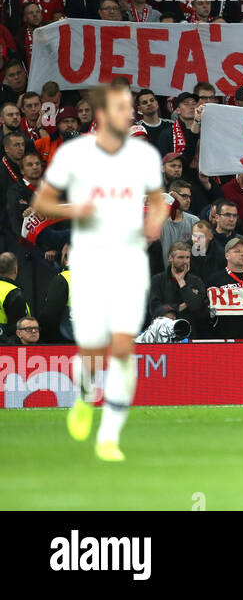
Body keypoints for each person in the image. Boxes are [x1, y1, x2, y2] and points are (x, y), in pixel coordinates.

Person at [31, 82, 167, 462]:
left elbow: (158, 202)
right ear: (104, 115)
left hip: (128, 260)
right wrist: (78, 210)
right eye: (124, 108)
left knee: (123, 348)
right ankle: (86, 396)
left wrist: (154, 222)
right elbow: (42, 200)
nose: (131, 114)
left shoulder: (142, 157)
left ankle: (109, 436)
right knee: (90, 351)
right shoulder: (76, 155)